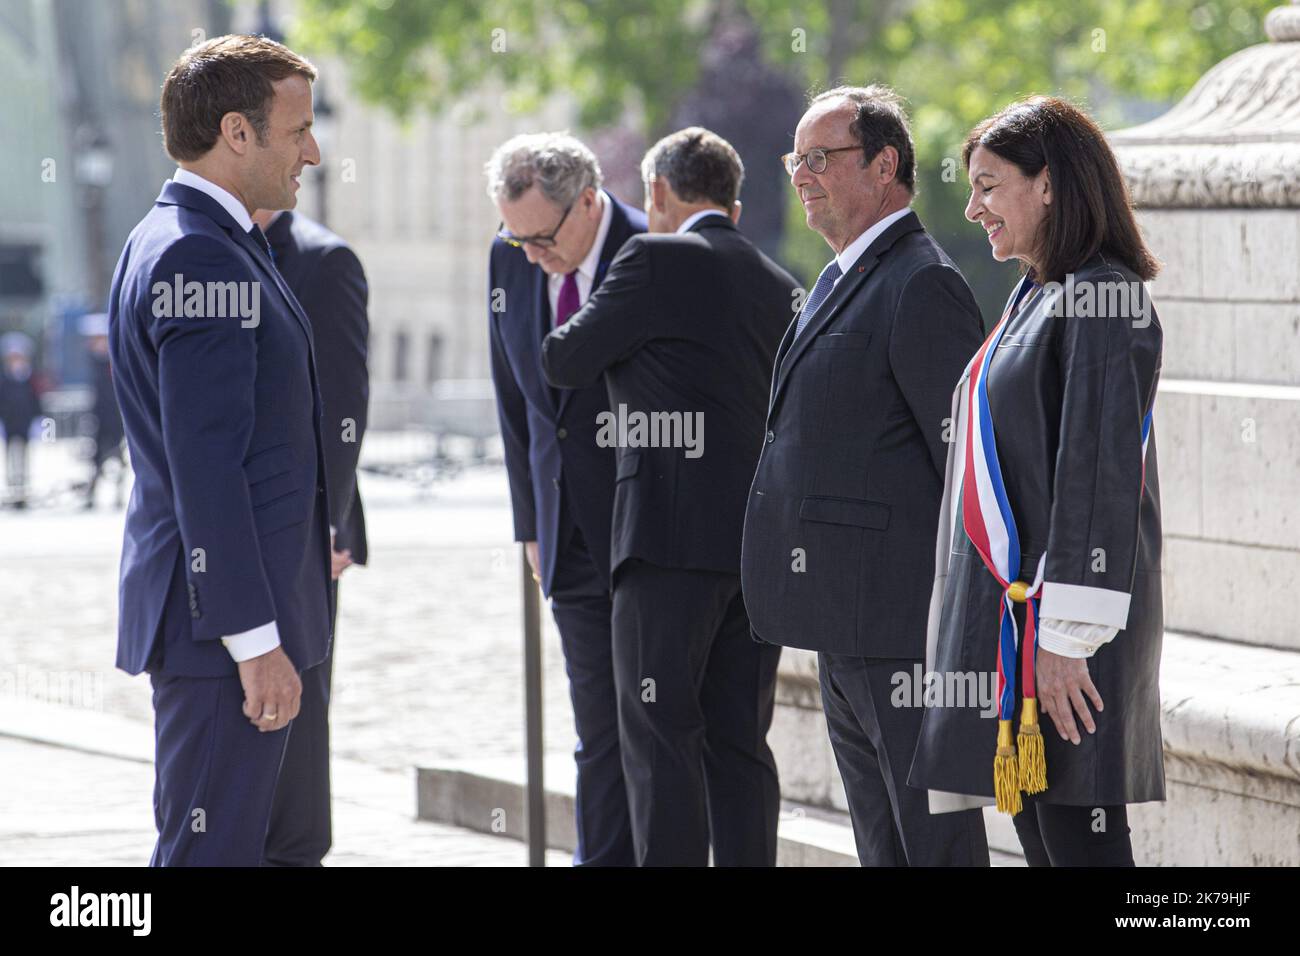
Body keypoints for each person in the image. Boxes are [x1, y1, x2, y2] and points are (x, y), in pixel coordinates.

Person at [909, 96, 1164, 867]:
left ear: (1048, 184)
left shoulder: (1100, 291)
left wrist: (1066, 637)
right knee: (1046, 844)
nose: (972, 206)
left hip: (1065, 637)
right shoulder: (1037, 292)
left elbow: (1095, 468)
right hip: (1025, 629)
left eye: (988, 185)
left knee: (1083, 847)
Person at [740, 85, 989, 866]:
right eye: (795, 160)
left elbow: (966, 472)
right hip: (844, 629)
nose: (802, 175)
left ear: (885, 165)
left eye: (821, 158)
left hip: (904, 632)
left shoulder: (922, 282)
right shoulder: (841, 275)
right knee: (884, 846)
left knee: (935, 846)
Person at [542, 128, 797, 866]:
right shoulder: (778, 281)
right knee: (741, 745)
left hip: (664, 542)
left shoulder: (652, 257)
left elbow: (564, 358)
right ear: (736, 204)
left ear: (656, 193)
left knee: (659, 740)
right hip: (754, 551)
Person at [108, 34, 332, 866]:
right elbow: (207, 467)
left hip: (217, 625)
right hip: (222, 634)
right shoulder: (201, 250)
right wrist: (255, 642)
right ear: (238, 133)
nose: (312, 151)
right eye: (298, 129)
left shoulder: (185, 235)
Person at [484, 132, 645, 866]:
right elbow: (516, 409)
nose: (531, 255)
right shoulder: (508, 258)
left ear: (589, 200)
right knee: (598, 728)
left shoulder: (653, 251)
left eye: (542, 238)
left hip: (650, 533)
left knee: (660, 721)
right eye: (516, 240)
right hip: (565, 533)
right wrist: (529, 524)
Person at [251, 205, 370, 866]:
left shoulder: (325, 262)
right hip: (236, 523)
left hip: (308, 527)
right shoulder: (211, 248)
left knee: (299, 692)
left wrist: (331, 521)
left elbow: (346, 403)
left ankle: (294, 850)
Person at [81, 314, 127, 510]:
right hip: (100, 418)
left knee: (119, 459)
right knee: (97, 459)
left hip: (116, 417)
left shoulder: (114, 361)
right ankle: (92, 494)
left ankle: (118, 494)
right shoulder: (96, 362)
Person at [0, 333, 41, 509]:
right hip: (9, 423)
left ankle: (23, 489)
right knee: (10, 457)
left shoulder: (30, 378)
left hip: (25, 423)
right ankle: (12, 489)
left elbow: (36, 401)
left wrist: (39, 421)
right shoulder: (4, 380)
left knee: (24, 457)